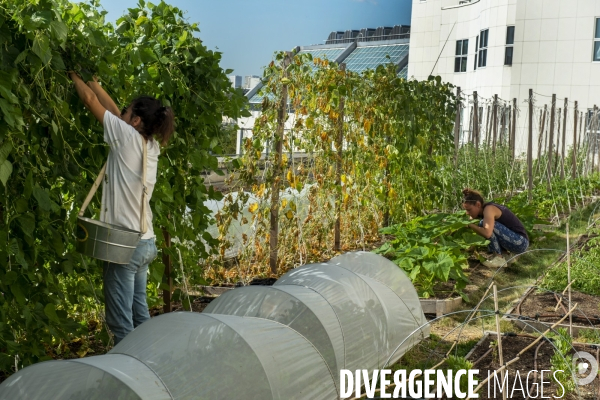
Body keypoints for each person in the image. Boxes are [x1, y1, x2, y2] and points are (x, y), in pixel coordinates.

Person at [70, 72, 174, 344]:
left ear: (136, 120)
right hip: (145, 242)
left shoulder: (125, 137)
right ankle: (152, 370)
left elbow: (91, 101)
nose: (121, 113)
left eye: (127, 111)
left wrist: (71, 73)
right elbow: (114, 111)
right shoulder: (149, 144)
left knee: (121, 325)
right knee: (140, 317)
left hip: (123, 246)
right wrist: (93, 79)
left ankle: (129, 378)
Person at [462, 188, 529, 268]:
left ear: (478, 205)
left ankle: (499, 258)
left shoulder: (489, 209)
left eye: (469, 210)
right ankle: (505, 256)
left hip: (520, 242)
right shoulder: (485, 209)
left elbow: (487, 233)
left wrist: (469, 224)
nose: (467, 213)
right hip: (518, 241)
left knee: (485, 226)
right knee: (483, 224)